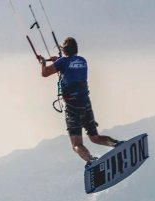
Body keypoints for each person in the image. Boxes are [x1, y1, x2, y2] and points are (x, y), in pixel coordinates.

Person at [39, 37, 123, 166]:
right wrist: (59, 61)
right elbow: (69, 66)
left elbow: (44, 73)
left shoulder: (63, 62)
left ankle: (91, 160)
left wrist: (42, 62)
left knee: (76, 145)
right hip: (85, 103)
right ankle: (117, 144)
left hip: (73, 106)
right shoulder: (82, 61)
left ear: (64, 50)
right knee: (95, 138)